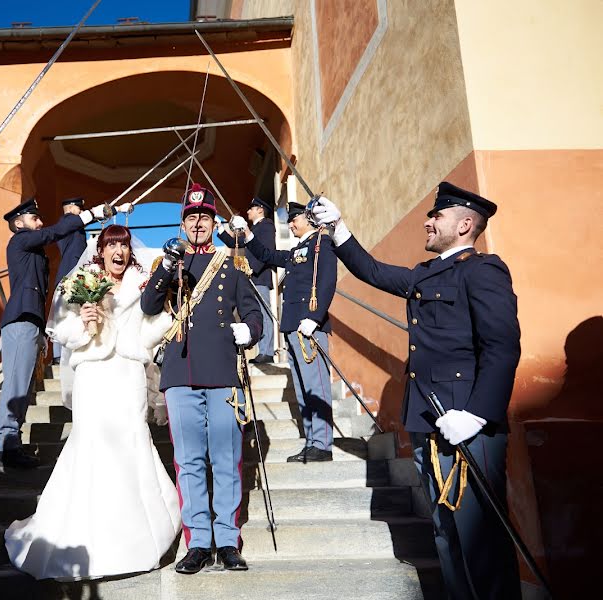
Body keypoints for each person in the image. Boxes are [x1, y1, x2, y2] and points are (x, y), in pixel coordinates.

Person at [312, 182, 521, 599]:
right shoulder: (426, 274)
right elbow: (373, 272)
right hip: (428, 420)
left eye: (436, 217)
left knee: (480, 541)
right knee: (446, 536)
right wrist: (339, 229)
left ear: (464, 224)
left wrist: (478, 413)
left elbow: (502, 344)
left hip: (466, 425)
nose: (427, 222)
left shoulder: (483, 270)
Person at [6, 225, 180, 580]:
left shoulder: (143, 282)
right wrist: (83, 324)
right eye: (112, 244)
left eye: (124, 245)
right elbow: (60, 329)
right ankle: (87, 535)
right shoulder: (81, 281)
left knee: (133, 439)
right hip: (93, 376)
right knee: (91, 445)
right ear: (100, 250)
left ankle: (139, 537)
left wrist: (167, 319)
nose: (119, 250)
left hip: (128, 371)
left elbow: (147, 330)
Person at [141, 183, 263, 574]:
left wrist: (251, 332)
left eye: (204, 218)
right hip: (180, 371)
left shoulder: (231, 264)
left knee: (227, 458)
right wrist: (164, 265)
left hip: (224, 370)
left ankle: (227, 539)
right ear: (183, 223)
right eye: (191, 218)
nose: (197, 224)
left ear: (213, 223)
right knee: (189, 461)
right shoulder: (170, 263)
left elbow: (253, 312)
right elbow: (147, 306)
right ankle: (198, 542)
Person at [0, 197, 109, 468]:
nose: (40, 222)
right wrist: (89, 214)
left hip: (30, 321)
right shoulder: (20, 240)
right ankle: (7, 445)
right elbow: (53, 233)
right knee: (16, 384)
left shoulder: (31, 248)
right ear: (20, 222)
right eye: (35, 219)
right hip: (21, 320)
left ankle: (12, 442)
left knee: (23, 385)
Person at [240, 201, 338, 462]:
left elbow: (328, 280)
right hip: (293, 326)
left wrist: (316, 317)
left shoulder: (322, 244)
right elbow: (269, 256)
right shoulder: (297, 250)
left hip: (309, 327)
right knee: (303, 388)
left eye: (295, 219)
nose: (290, 223)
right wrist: (248, 236)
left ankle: (323, 444)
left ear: (308, 219)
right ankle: (312, 441)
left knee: (316, 386)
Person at [217, 197, 277, 363]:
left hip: (259, 276)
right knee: (257, 312)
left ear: (260, 210)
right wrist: (220, 228)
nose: (248, 211)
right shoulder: (255, 228)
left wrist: (251, 271)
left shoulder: (266, 226)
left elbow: (266, 252)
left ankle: (267, 351)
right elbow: (237, 242)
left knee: (264, 313)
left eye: (251, 208)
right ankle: (262, 350)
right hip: (252, 276)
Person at [51, 196, 87, 365]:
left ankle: (60, 353)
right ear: (72, 208)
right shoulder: (69, 221)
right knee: (65, 313)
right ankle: (60, 354)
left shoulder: (70, 225)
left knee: (66, 312)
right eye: (79, 209)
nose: (82, 212)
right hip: (70, 274)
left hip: (69, 273)